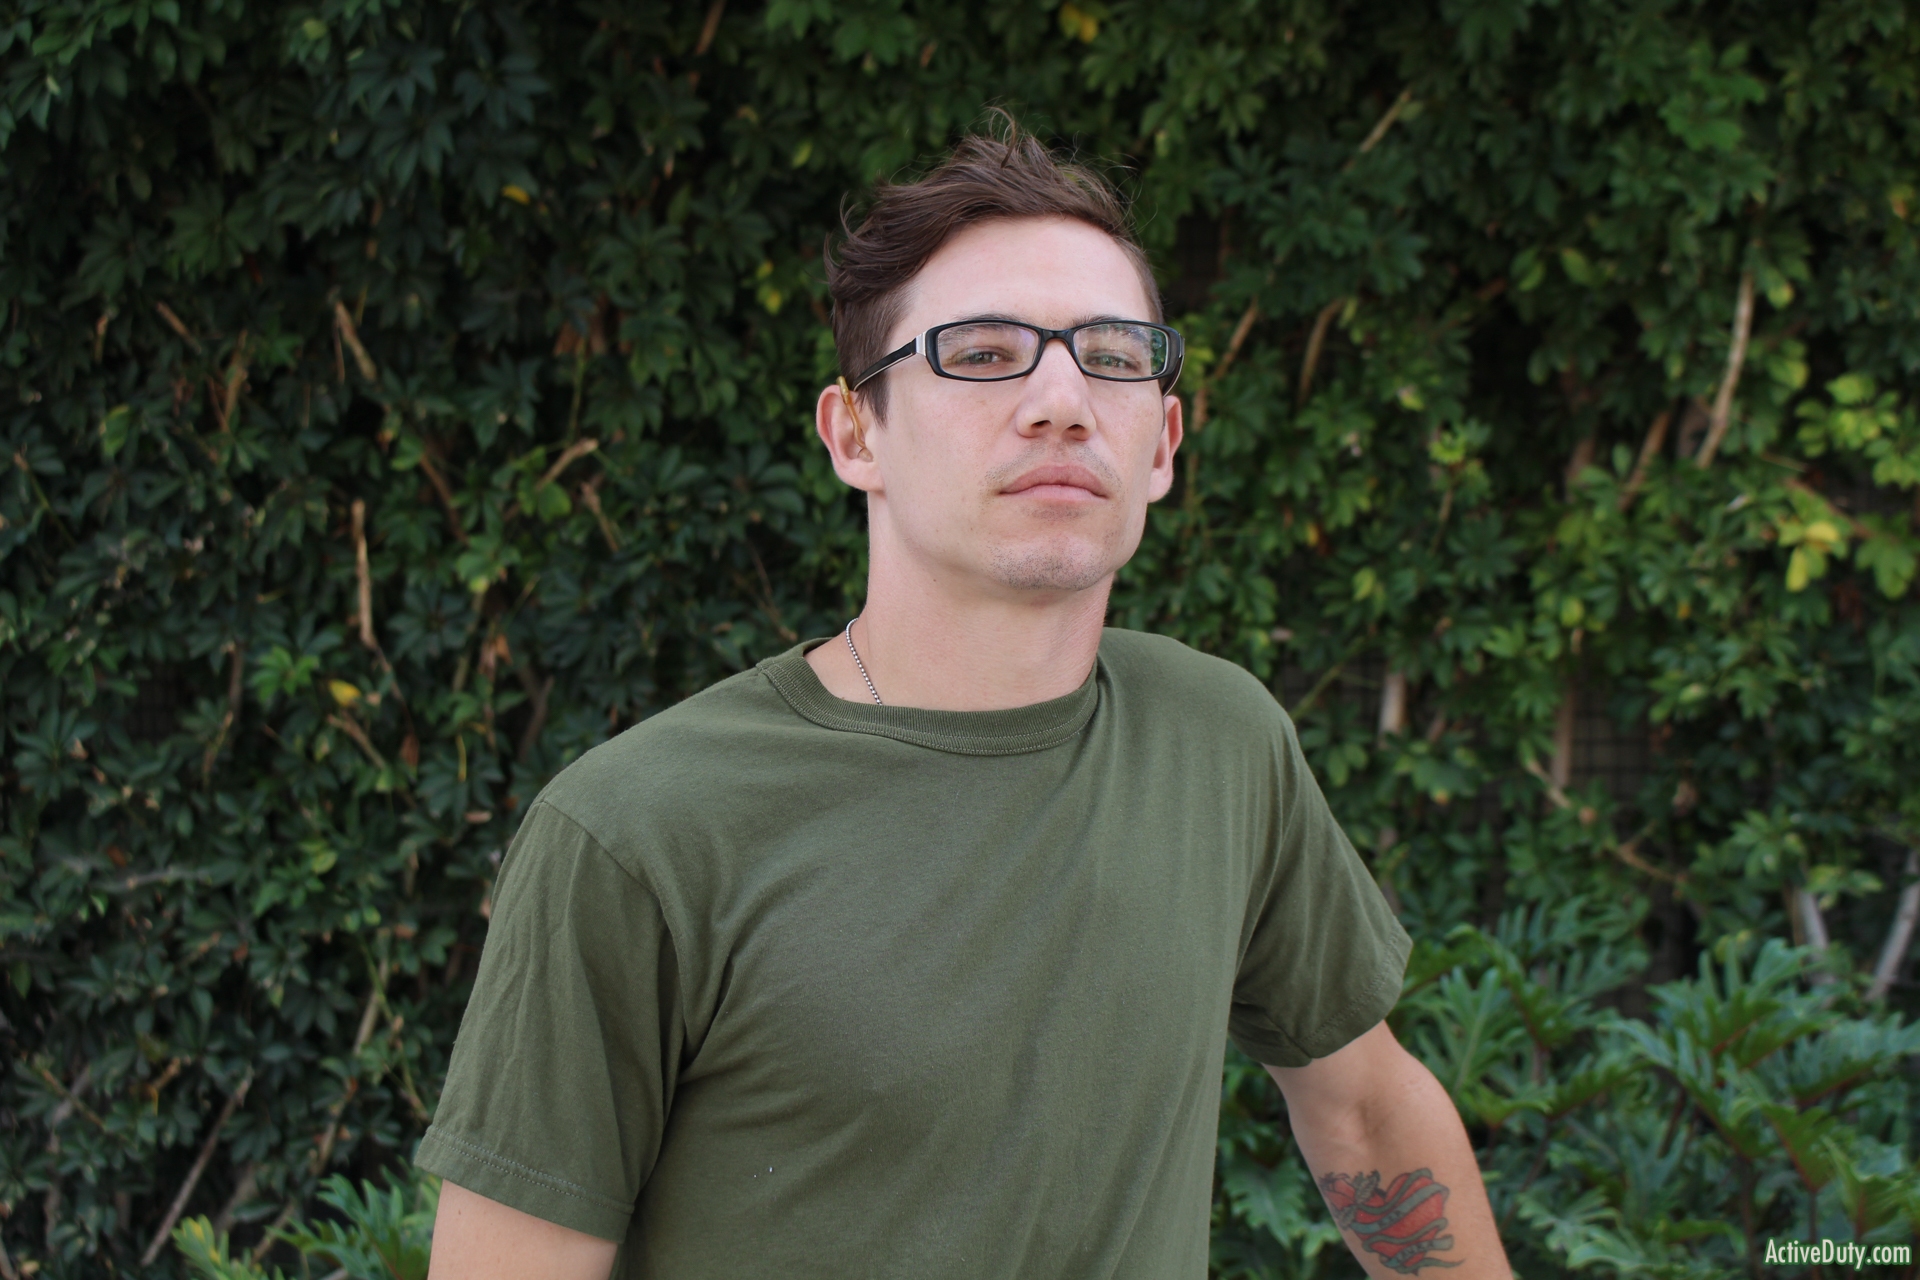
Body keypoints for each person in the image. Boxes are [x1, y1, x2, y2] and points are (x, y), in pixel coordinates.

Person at [417, 121, 1513, 1280]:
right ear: (855, 433)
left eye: (1114, 354)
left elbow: (1365, 1112)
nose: (1062, 400)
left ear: (1162, 443)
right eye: (982, 353)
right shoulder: (639, 832)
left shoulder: (1220, 743)